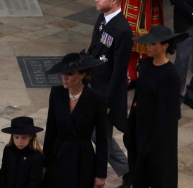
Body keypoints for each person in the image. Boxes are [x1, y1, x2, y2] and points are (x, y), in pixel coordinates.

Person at [126, 25, 188, 187]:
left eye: (153, 44)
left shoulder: (170, 75)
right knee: (138, 174)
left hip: (157, 135)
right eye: (148, 43)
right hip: (140, 128)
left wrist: (156, 144)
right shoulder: (145, 66)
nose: (148, 46)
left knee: (157, 175)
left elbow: (168, 114)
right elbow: (137, 98)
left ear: (165, 46)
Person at [42, 51, 108, 188]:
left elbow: (102, 139)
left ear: (82, 75)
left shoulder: (96, 99)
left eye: (70, 74)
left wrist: (101, 173)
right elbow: (51, 132)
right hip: (58, 157)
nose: (64, 78)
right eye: (63, 74)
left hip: (82, 160)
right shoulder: (56, 93)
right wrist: (44, 163)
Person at [87, 0, 133, 187]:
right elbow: (94, 50)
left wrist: (107, 102)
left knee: (101, 137)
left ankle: (102, 175)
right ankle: (129, 170)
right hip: (92, 86)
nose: (96, 0)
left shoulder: (122, 30)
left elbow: (118, 71)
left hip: (105, 93)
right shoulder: (102, 19)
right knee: (95, 134)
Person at [121, 0, 164, 90]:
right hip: (132, 5)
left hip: (149, 6)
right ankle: (132, 76)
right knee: (129, 42)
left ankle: (146, 77)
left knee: (150, 45)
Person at [0, 116, 44, 188]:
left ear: (31, 136)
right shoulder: (8, 150)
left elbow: (34, 183)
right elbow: (3, 174)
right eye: (16, 137)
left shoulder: (36, 157)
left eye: (24, 138)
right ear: (12, 136)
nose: (20, 141)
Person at [170, 0, 193, 108]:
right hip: (185, 21)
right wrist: (190, 12)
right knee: (182, 60)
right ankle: (175, 96)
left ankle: (191, 94)